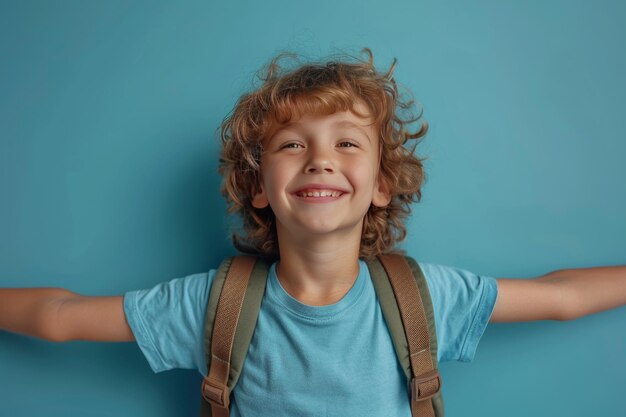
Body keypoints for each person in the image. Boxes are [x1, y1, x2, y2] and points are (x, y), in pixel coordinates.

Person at [1, 48, 624, 416]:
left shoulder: (423, 298)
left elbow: (563, 298)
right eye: (293, 144)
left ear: (382, 184)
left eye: (347, 143)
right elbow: (60, 317)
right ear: (256, 186)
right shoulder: (213, 306)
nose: (320, 160)